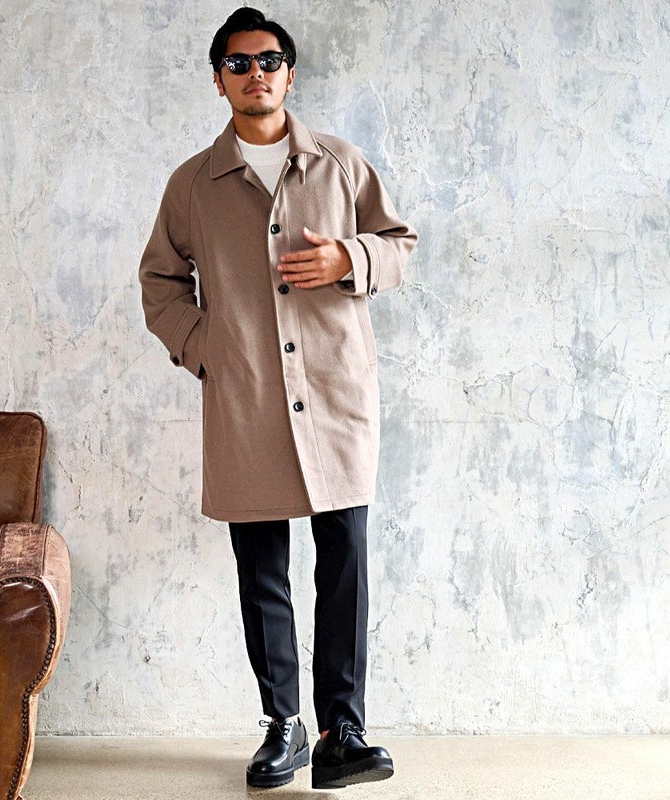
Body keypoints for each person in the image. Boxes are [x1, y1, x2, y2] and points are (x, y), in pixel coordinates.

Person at [139, 7, 417, 790]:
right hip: (247, 399)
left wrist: (348, 257)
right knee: (261, 567)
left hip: (334, 394)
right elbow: (160, 282)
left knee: (345, 562)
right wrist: (209, 351)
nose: (254, 73)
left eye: (268, 60)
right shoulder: (193, 185)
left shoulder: (339, 164)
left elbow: (399, 245)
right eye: (238, 63)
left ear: (290, 74)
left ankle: (343, 732)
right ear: (218, 80)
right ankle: (284, 726)